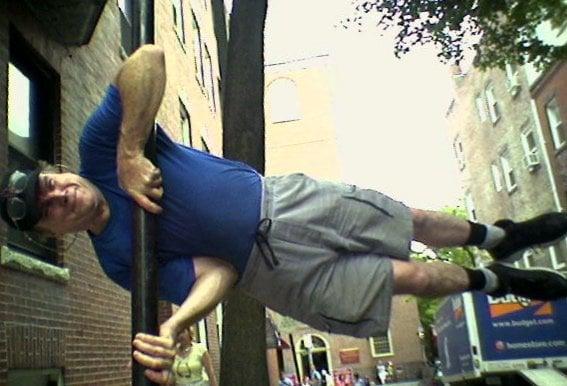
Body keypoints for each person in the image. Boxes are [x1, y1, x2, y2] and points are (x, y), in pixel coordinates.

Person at [1, 45, 567, 385]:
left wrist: (128, 153)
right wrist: (176, 324)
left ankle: (500, 235)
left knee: (411, 219)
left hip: (285, 202)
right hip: (274, 275)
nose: (58, 196)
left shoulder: (100, 147)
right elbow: (218, 273)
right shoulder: (118, 258)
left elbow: (147, 60)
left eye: (51, 183)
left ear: (63, 170)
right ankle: (499, 279)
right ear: (54, 234)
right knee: (411, 276)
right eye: (48, 209)